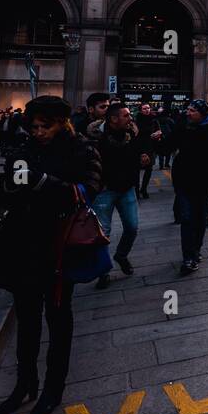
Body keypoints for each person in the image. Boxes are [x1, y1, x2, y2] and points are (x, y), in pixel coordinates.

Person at [0, 95, 102, 414]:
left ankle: (53, 387)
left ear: (61, 124)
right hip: (23, 242)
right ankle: (25, 382)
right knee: (27, 317)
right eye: (34, 126)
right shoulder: (25, 149)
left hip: (59, 243)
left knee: (58, 316)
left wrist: (46, 184)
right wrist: (10, 185)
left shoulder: (82, 148)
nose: (38, 132)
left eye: (44, 126)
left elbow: (89, 189)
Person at [154, 100, 208, 276]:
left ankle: (196, 249)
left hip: (205, 182)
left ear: (203, 113)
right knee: (187, 217)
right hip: (184, 180)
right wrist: (157, 141)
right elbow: (167, 147)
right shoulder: (184, 128)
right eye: (188, 110)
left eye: (192, 111)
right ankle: (188, 257)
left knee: (200, 216)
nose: (188, 113)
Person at [87, 102, 148, 289]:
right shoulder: (94, 137)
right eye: (126, 115)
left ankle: (121, 255)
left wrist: (144, 159)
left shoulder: (133, 134)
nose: (130, 118)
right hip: (105, 191)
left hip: (127, 189)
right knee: (103, 232)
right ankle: (103, 271)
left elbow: (139, 155)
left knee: (132, 227)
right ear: (113, 119)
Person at [135, 104, 159, 199]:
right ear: (140, 110)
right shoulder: (136, 121)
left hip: (150, 147)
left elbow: (159, 131)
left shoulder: (154, 120)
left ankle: (144, 189)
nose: (147, 110)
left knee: (149, 170)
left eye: (148, 108)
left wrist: (158, 134)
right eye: (144, 108)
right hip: (138, 148)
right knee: (136, 170)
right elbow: (135, 135)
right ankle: (136, 190)